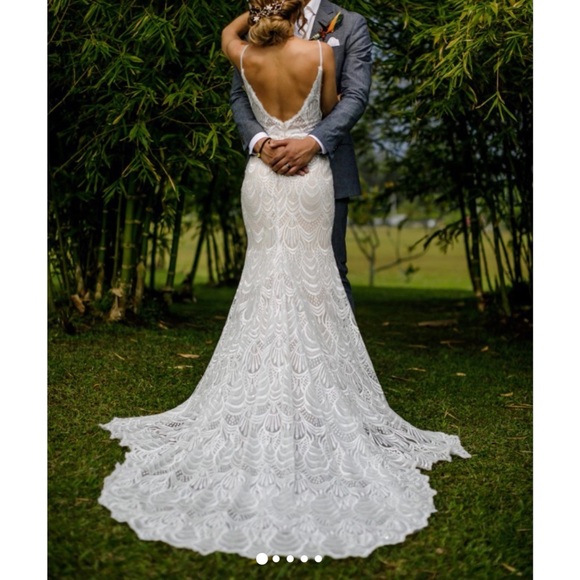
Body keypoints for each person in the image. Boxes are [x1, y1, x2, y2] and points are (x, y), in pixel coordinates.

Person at [99, 1, 470, 561]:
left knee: (307, 280)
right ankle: (307, 396)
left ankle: (313, 392)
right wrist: (263, 139)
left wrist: (306, 139)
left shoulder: (270, 41)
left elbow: (354, 99)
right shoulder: (320, 51)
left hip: (288, 172)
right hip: (298, 176)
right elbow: (310, 100)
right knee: (292, 277)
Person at [230, 0, 372, 310]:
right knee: (265, 271)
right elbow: (239, 93)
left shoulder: (349, 23)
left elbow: (356, 96)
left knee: (330, 272)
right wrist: (260, 142)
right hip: (267, 172)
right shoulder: (262, 20)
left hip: (324, 169)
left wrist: (313, 142)